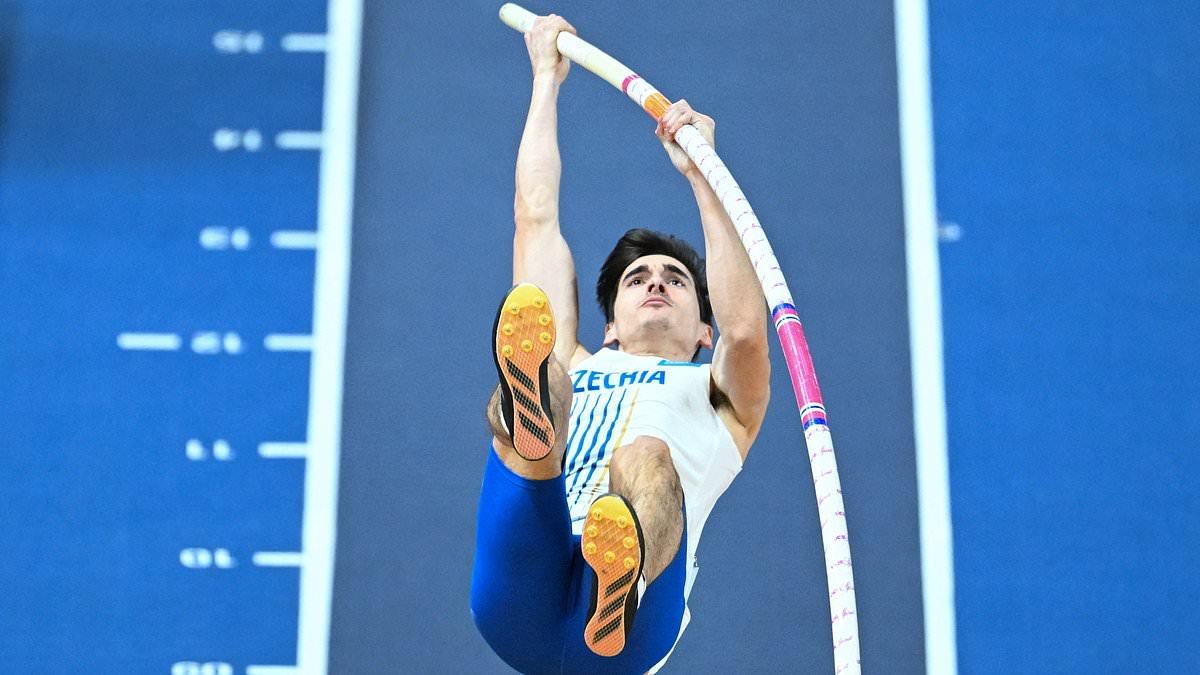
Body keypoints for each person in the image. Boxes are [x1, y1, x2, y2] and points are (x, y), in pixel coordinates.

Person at [470, 13, 771, 674]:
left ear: (702, 331)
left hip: (623, 637)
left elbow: (748, 331)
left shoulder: (722, 402)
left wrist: (705, 175)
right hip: (522, 583)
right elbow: (535, 216)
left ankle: (619, 582)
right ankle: (532, 425)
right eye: (638, 278)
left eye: (676, 280)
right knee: (546, 369)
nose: (655, 282)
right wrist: (545, 79)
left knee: (644, 457)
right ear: (609, 325)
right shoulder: (581, 361)